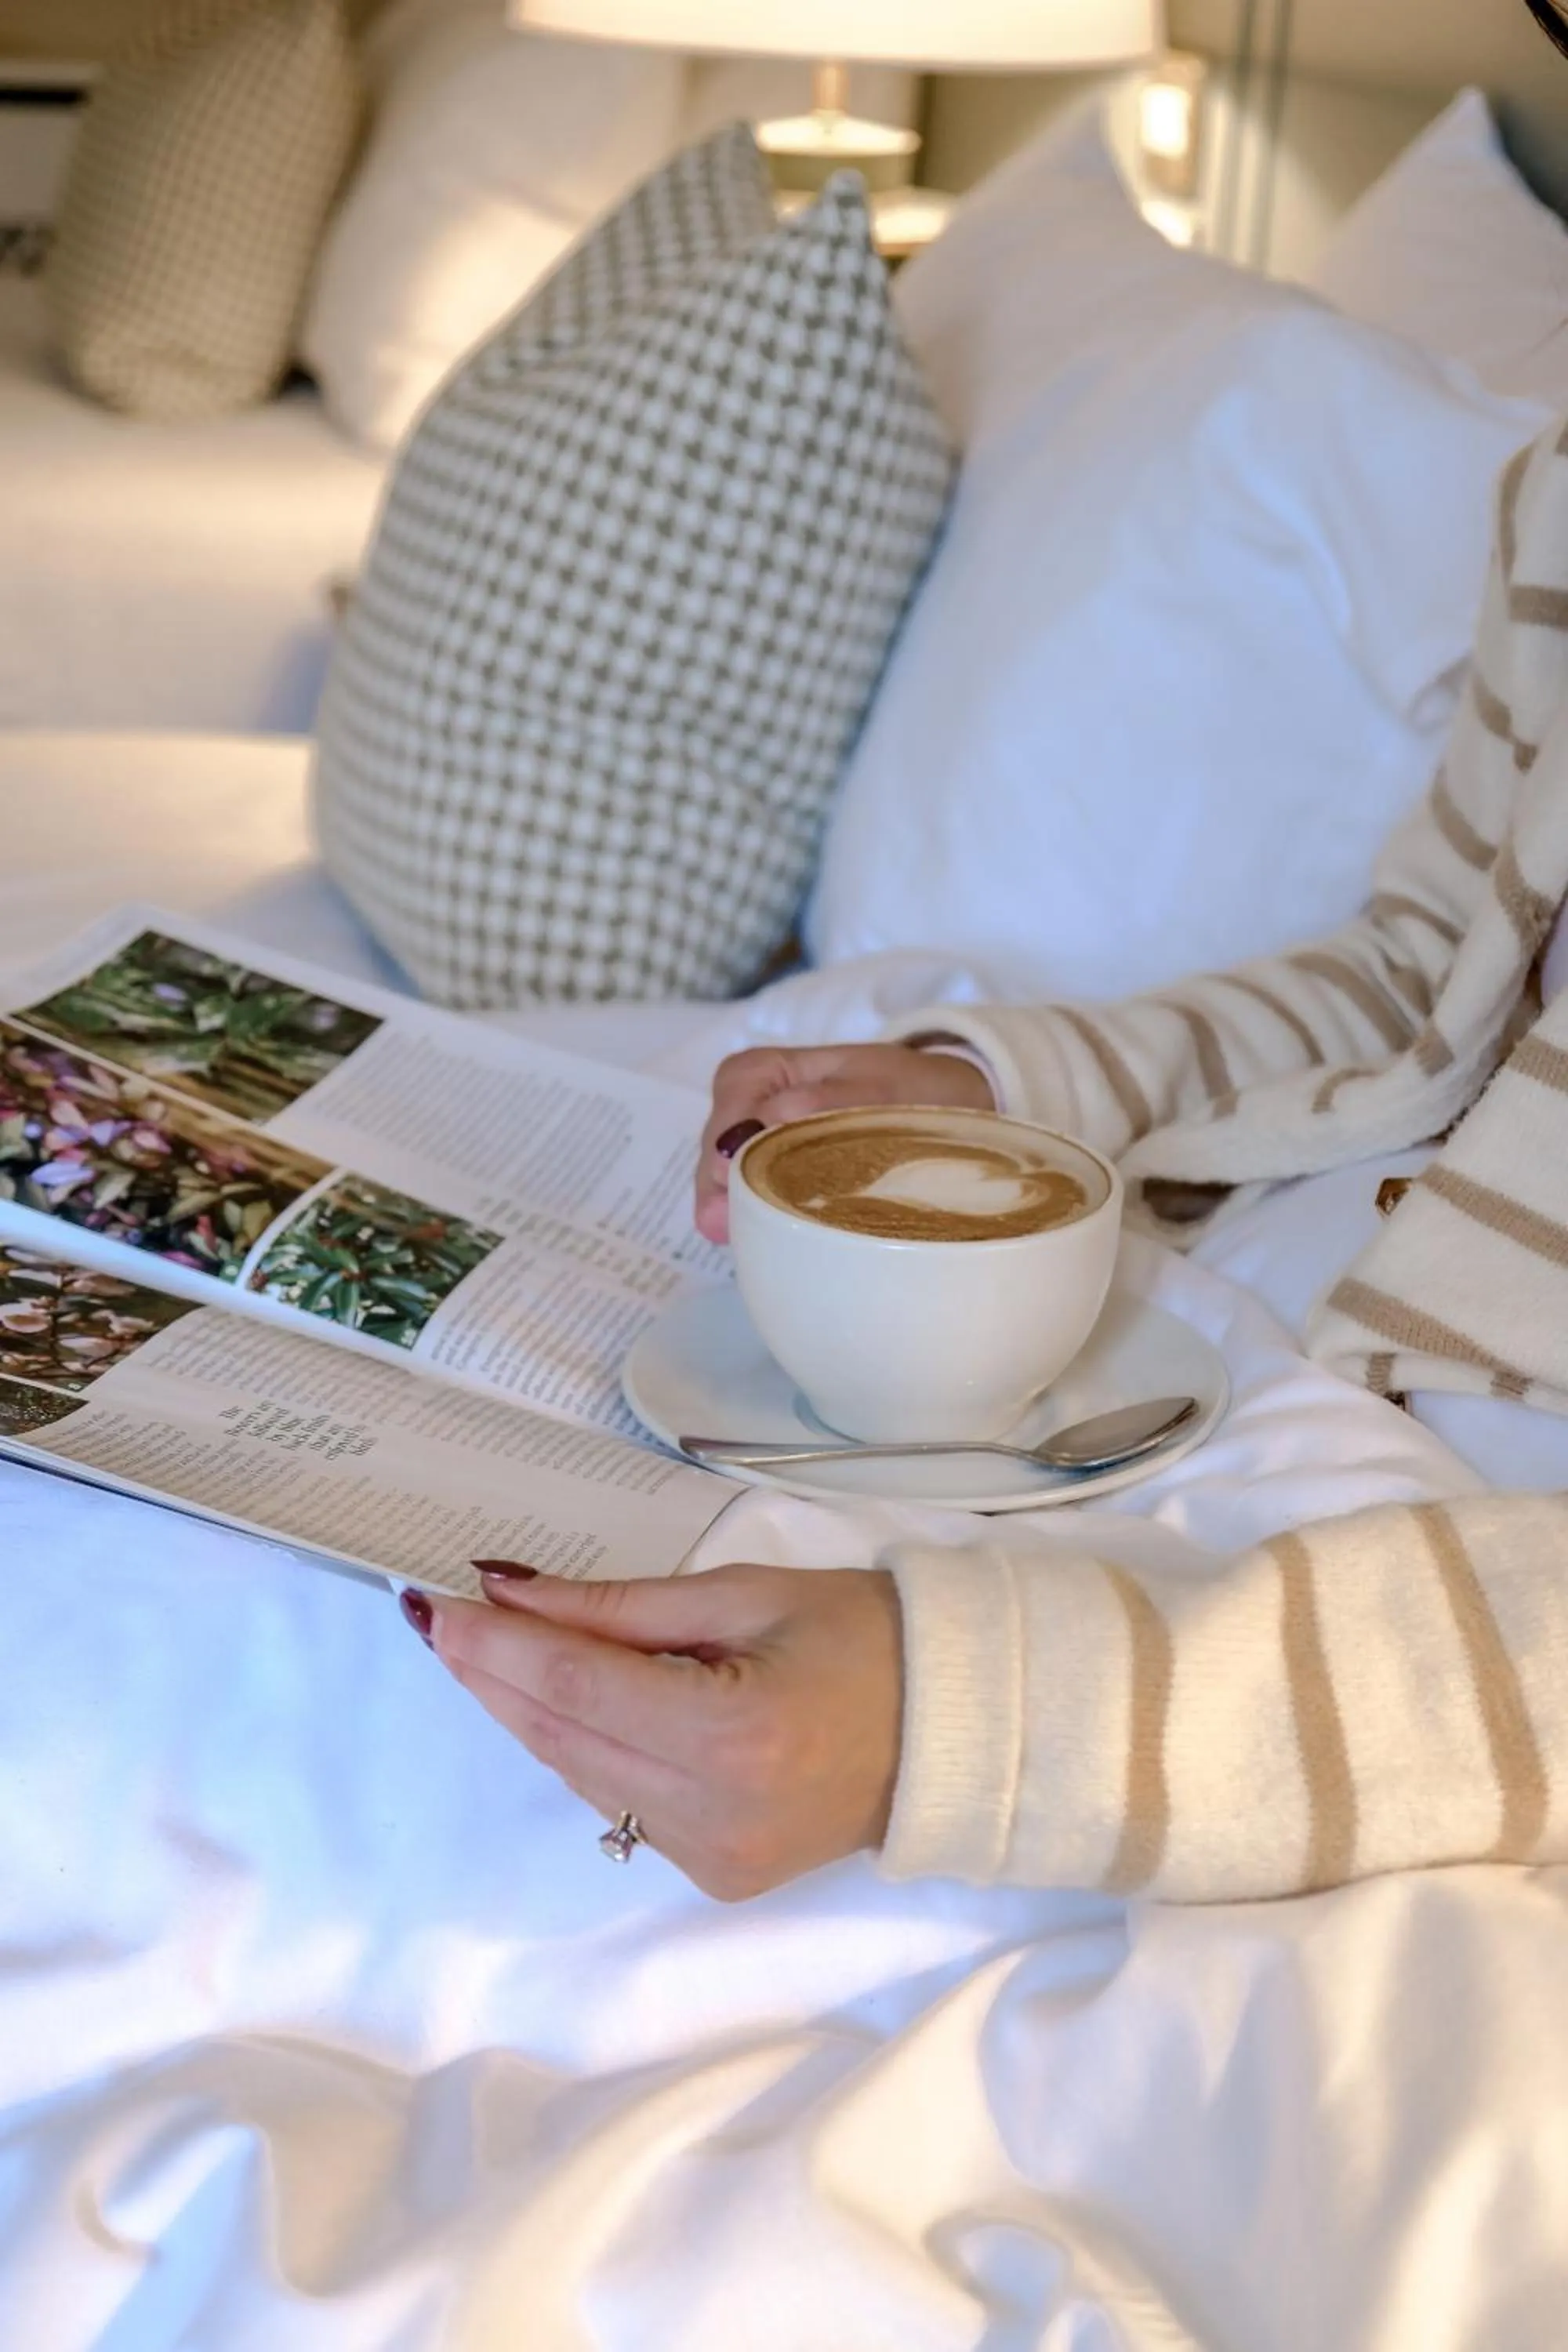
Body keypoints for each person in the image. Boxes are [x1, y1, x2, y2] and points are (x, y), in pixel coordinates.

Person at [401, 352, 1568, 1911]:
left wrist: (974, 1722)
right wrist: (1013, 1090)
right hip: (1246, 1336)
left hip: (1414, 1658)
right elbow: (1439, 973)